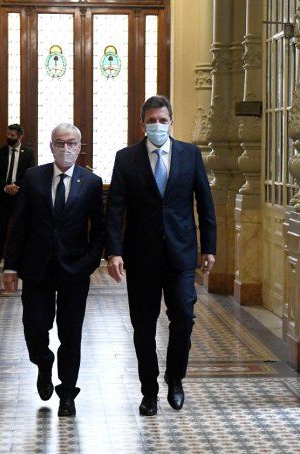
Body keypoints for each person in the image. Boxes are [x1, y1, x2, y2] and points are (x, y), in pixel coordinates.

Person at [105, 95, 216, 416]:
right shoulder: (126, 158)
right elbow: (115, 208)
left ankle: (175, 378)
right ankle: (149, 391)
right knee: (143, 326)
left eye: (162, 120)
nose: (157, 125)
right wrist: (113, 252)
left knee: (183, 318)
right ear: (142, 124)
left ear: (171, 122)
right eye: (151, 121)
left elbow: (205, 203)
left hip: (181, 254)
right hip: (141, 256)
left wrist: (209, 247)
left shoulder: (190, 155)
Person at [3, 123, 104, 417]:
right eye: (60, 142)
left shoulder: (91, 182)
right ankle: (43, 363)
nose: (66, 148)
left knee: (71, 333)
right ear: (51, 146)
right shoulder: (33, 177)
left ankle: (68, 393)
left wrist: (90, 262)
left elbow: (99, 229)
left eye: (72, 143)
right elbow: (19, 223)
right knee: (35, 327)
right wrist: (11, 267)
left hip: (75, 270)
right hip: (37, 267)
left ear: (79, 147)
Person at [0, 124, 36, 273]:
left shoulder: (29, 153)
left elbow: (29, 173)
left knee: (19, 231)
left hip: (19, 198)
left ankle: (18, 264)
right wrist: (6, 186)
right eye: (8, 134)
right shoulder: (0, 152)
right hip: (2, 197)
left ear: (20, 137)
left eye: (12, 135)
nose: (9, 137)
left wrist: (16, 186)